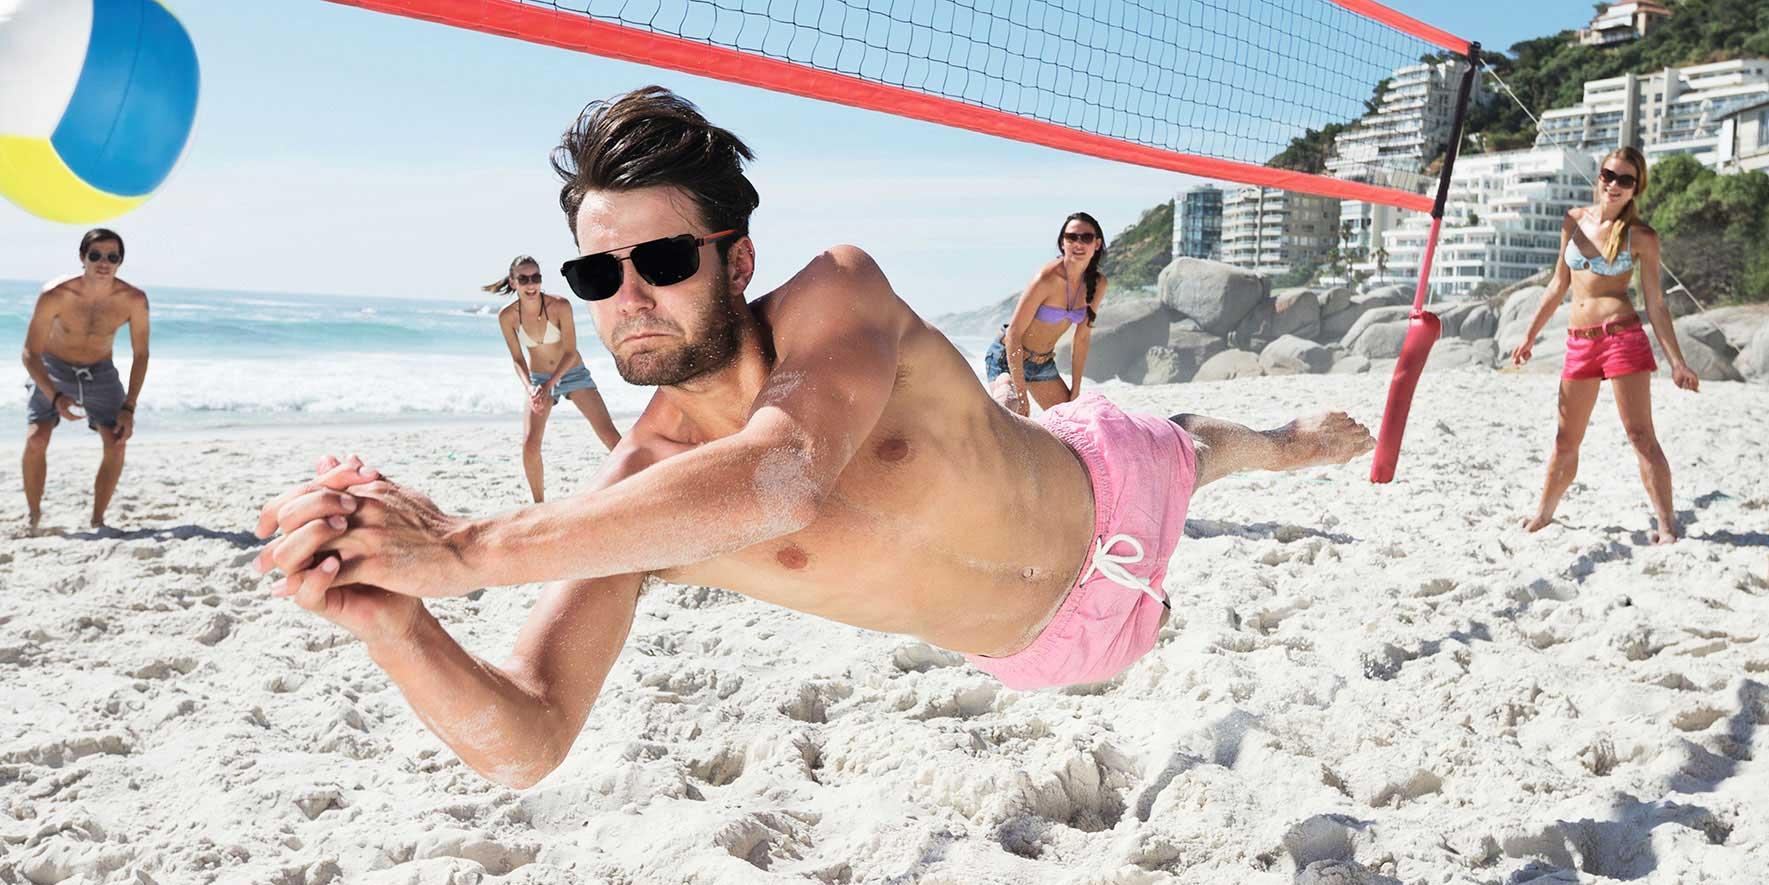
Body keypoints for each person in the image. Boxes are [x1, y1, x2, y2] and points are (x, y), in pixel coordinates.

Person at [253, 87, 1374, 789]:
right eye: (600, 273)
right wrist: (399, 627)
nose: (628, 295)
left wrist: (466, 549)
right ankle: (1188, 559)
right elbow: (529, 743)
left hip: (1106, 488)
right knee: (1161, 605)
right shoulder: (638, 492)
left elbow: (778, 475)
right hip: (1050, 652)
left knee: (1196, 447)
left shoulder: (839, 294)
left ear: (735, 262)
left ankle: (1283, 438)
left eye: (663, 260)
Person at [1511, 146, 1699, 544]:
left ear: (1636, 188)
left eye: (1625, 180)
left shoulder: (1641, 237)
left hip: (1622, 339)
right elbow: (1558, 284)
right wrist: (1529, 335)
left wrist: (1677, 363)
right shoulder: (1574, 220)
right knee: (1565, 440)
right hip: (1578, 343)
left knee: (1640, 435)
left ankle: (1667, 525)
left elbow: (1657, 304)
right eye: (1609, 175)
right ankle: (1543, 513)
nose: (1614, 184)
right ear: (1599, 176)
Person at [20, 229, 150, 531]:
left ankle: (98, 520)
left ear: (120, 262)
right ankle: (34, 516)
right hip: (53, 367)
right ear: (82, 258)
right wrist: (54, 396)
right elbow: (30, 354)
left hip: (100, 372)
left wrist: (129, 408)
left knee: (117, 442)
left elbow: (141, 354)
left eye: (112, 257)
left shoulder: (133, 299)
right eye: (95, 255)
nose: (103, 262)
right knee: (36, 438)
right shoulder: (56, 295)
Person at [489, 255, 622, 502]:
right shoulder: (507, 316)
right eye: (524, 278)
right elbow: (517, 359)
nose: (531, 284)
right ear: (513, 281)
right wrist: (531, 388)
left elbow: (570, 352)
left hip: (573, 373)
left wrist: (550, 385)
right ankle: (539, 505)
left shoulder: (560, 306)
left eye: (536, 277)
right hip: (538, 379)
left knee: (610, 436)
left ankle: (637, 485)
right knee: (530, 443)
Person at [987, 213, 1107, 415]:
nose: (1078, 243)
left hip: (1042, 365)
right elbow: (1014, 334)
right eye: (1072, 237)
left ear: (1097, 244)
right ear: (1063, 242)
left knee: (1070, 421)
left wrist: (1075, 390)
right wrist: (1022, 394)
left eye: (1085, 237)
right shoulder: (1046, 277)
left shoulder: (1098, 283)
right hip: (1007, 358)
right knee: (1010, 405)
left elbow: (1082, 338)